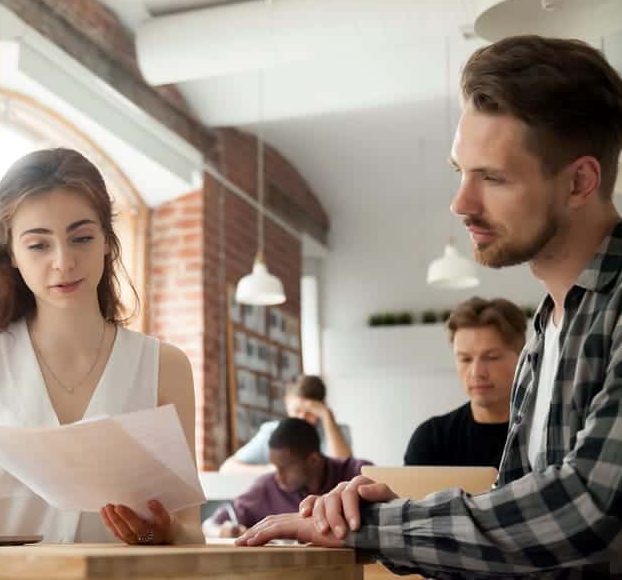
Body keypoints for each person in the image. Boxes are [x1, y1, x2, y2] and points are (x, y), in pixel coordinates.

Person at [235, 36, 622, 577]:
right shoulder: (546, 326)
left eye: (492, 177)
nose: (460, 202)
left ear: (579, 181)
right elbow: (521, 521)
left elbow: (588, 509)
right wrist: (392, 514)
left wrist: (378, 527)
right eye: (459, 171)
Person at [0, 148, 203, 545]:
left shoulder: (165, 365)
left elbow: (191, 533)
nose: (64, 262)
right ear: (11, 256)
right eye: (39, 245)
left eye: (81, 238)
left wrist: (165, 533)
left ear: (108, 242)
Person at [404, 296, 526, 468]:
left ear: (522, 357)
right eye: (465, 359)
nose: (476, 373)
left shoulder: (543, 433)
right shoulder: (431, 438)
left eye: (491, 357)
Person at [204, 418, 370, 538]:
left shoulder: (358, 472)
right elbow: (208, 525)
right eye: (275, 467)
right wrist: (222, 531)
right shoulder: (266, 487)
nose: (278, 476)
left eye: (284, 467)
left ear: (313, 460)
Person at [220, 374, 352, 475]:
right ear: (287, 404)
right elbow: (227, 468)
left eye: (310, 412)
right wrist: (271, 470)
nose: (302, 418)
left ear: (321, 406)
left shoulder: (336, 432)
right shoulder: (272, 432)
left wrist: (326, 415)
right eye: (297, 410)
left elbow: (344, 470)